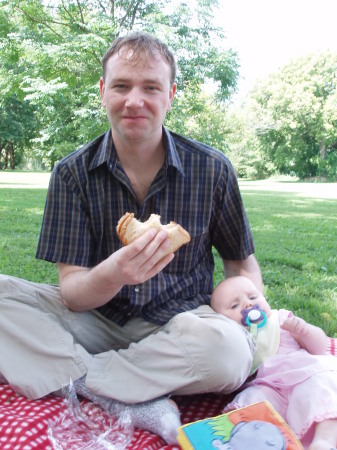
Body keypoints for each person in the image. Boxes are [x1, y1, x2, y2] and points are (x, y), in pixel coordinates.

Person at [0, 32, 262, 443]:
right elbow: (72, 294)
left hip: (182, 324)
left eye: (151, 87)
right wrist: (117, 272)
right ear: (103, 92)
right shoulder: (71, 174)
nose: (134, 100)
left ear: (170, 95)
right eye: (121, 85)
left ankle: (83, 377)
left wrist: (254, 321)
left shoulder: (212, 169)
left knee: (230, 353)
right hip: (96, 320)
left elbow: (240, 263)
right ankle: (126, 395)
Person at [210, 276, 337, 450]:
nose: (247, 304)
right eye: (234, 305)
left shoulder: (280, 320)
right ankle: (256, 443)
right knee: (250, 402)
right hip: (268, 387)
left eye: (253, 297)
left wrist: (304, 331)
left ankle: (324, 441)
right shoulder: (234, 341)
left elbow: (320, 347)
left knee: (321, 391)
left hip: (303, 375)